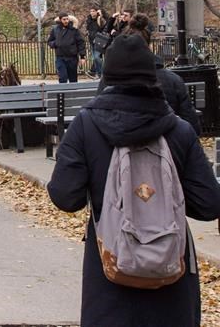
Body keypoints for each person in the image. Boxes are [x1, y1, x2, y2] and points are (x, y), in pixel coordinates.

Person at [48, 34, 220, 327]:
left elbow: (65, 196)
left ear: (107, 75)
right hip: (171, 273)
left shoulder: (86, 126)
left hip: (110, 272)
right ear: (152, 75)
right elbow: (209, 205)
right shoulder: (179, 130)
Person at [96, 14, 202, 135]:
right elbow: (192, 126)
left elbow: (98, 120)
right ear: (149, 46)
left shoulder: (109, 81)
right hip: (168, 146)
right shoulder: (173, 80)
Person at [48, 12, 86, 83]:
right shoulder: (55, 30)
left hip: (72, 57)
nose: (66, 21)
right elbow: (50, 41)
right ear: (60, 20)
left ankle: (73, 93)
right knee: (62, 77)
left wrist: (82, 56)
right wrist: (55, 43)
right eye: (64, 19)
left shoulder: (74, 30)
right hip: (60, 57)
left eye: (67, 19)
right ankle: (63, 93)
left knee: (73, 78)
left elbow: (81, 42)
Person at [85, 7, 107, 76]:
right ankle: (98, 73)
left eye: (93, 11)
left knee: (96, 57)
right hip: (91, 41)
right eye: (91, 11)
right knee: (95, 58)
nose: (92, 13)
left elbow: (105, 27)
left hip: (99, 41)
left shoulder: (100, 19)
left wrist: (101, 16)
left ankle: (101, 73)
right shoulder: (89, 20)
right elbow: (87, 29)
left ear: (97, 12)